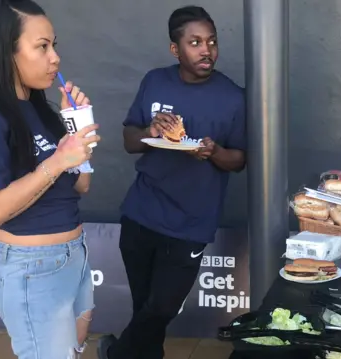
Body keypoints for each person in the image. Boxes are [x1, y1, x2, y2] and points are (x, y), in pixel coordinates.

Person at [0, 0, 101, 358]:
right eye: (42, 47)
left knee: (73, 350)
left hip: (72, 255)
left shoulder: (40, 110)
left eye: (54, 45)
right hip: (33, 268)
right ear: (6, 51)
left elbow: (81, 186)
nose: (55, 58)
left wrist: (75, 131)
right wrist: (59, 160)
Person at [98, 5, 246, 359]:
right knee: (144, 308)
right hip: (142, 212)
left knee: (162, 308)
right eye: (194, 42)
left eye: (211, 41)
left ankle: (113, 354)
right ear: (175, 49)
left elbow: (239, 161)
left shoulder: (233, 97)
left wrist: (212, 152)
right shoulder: (154, 81)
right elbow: (130, 142)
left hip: (191, 222)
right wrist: (151, 131)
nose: (206, 50)